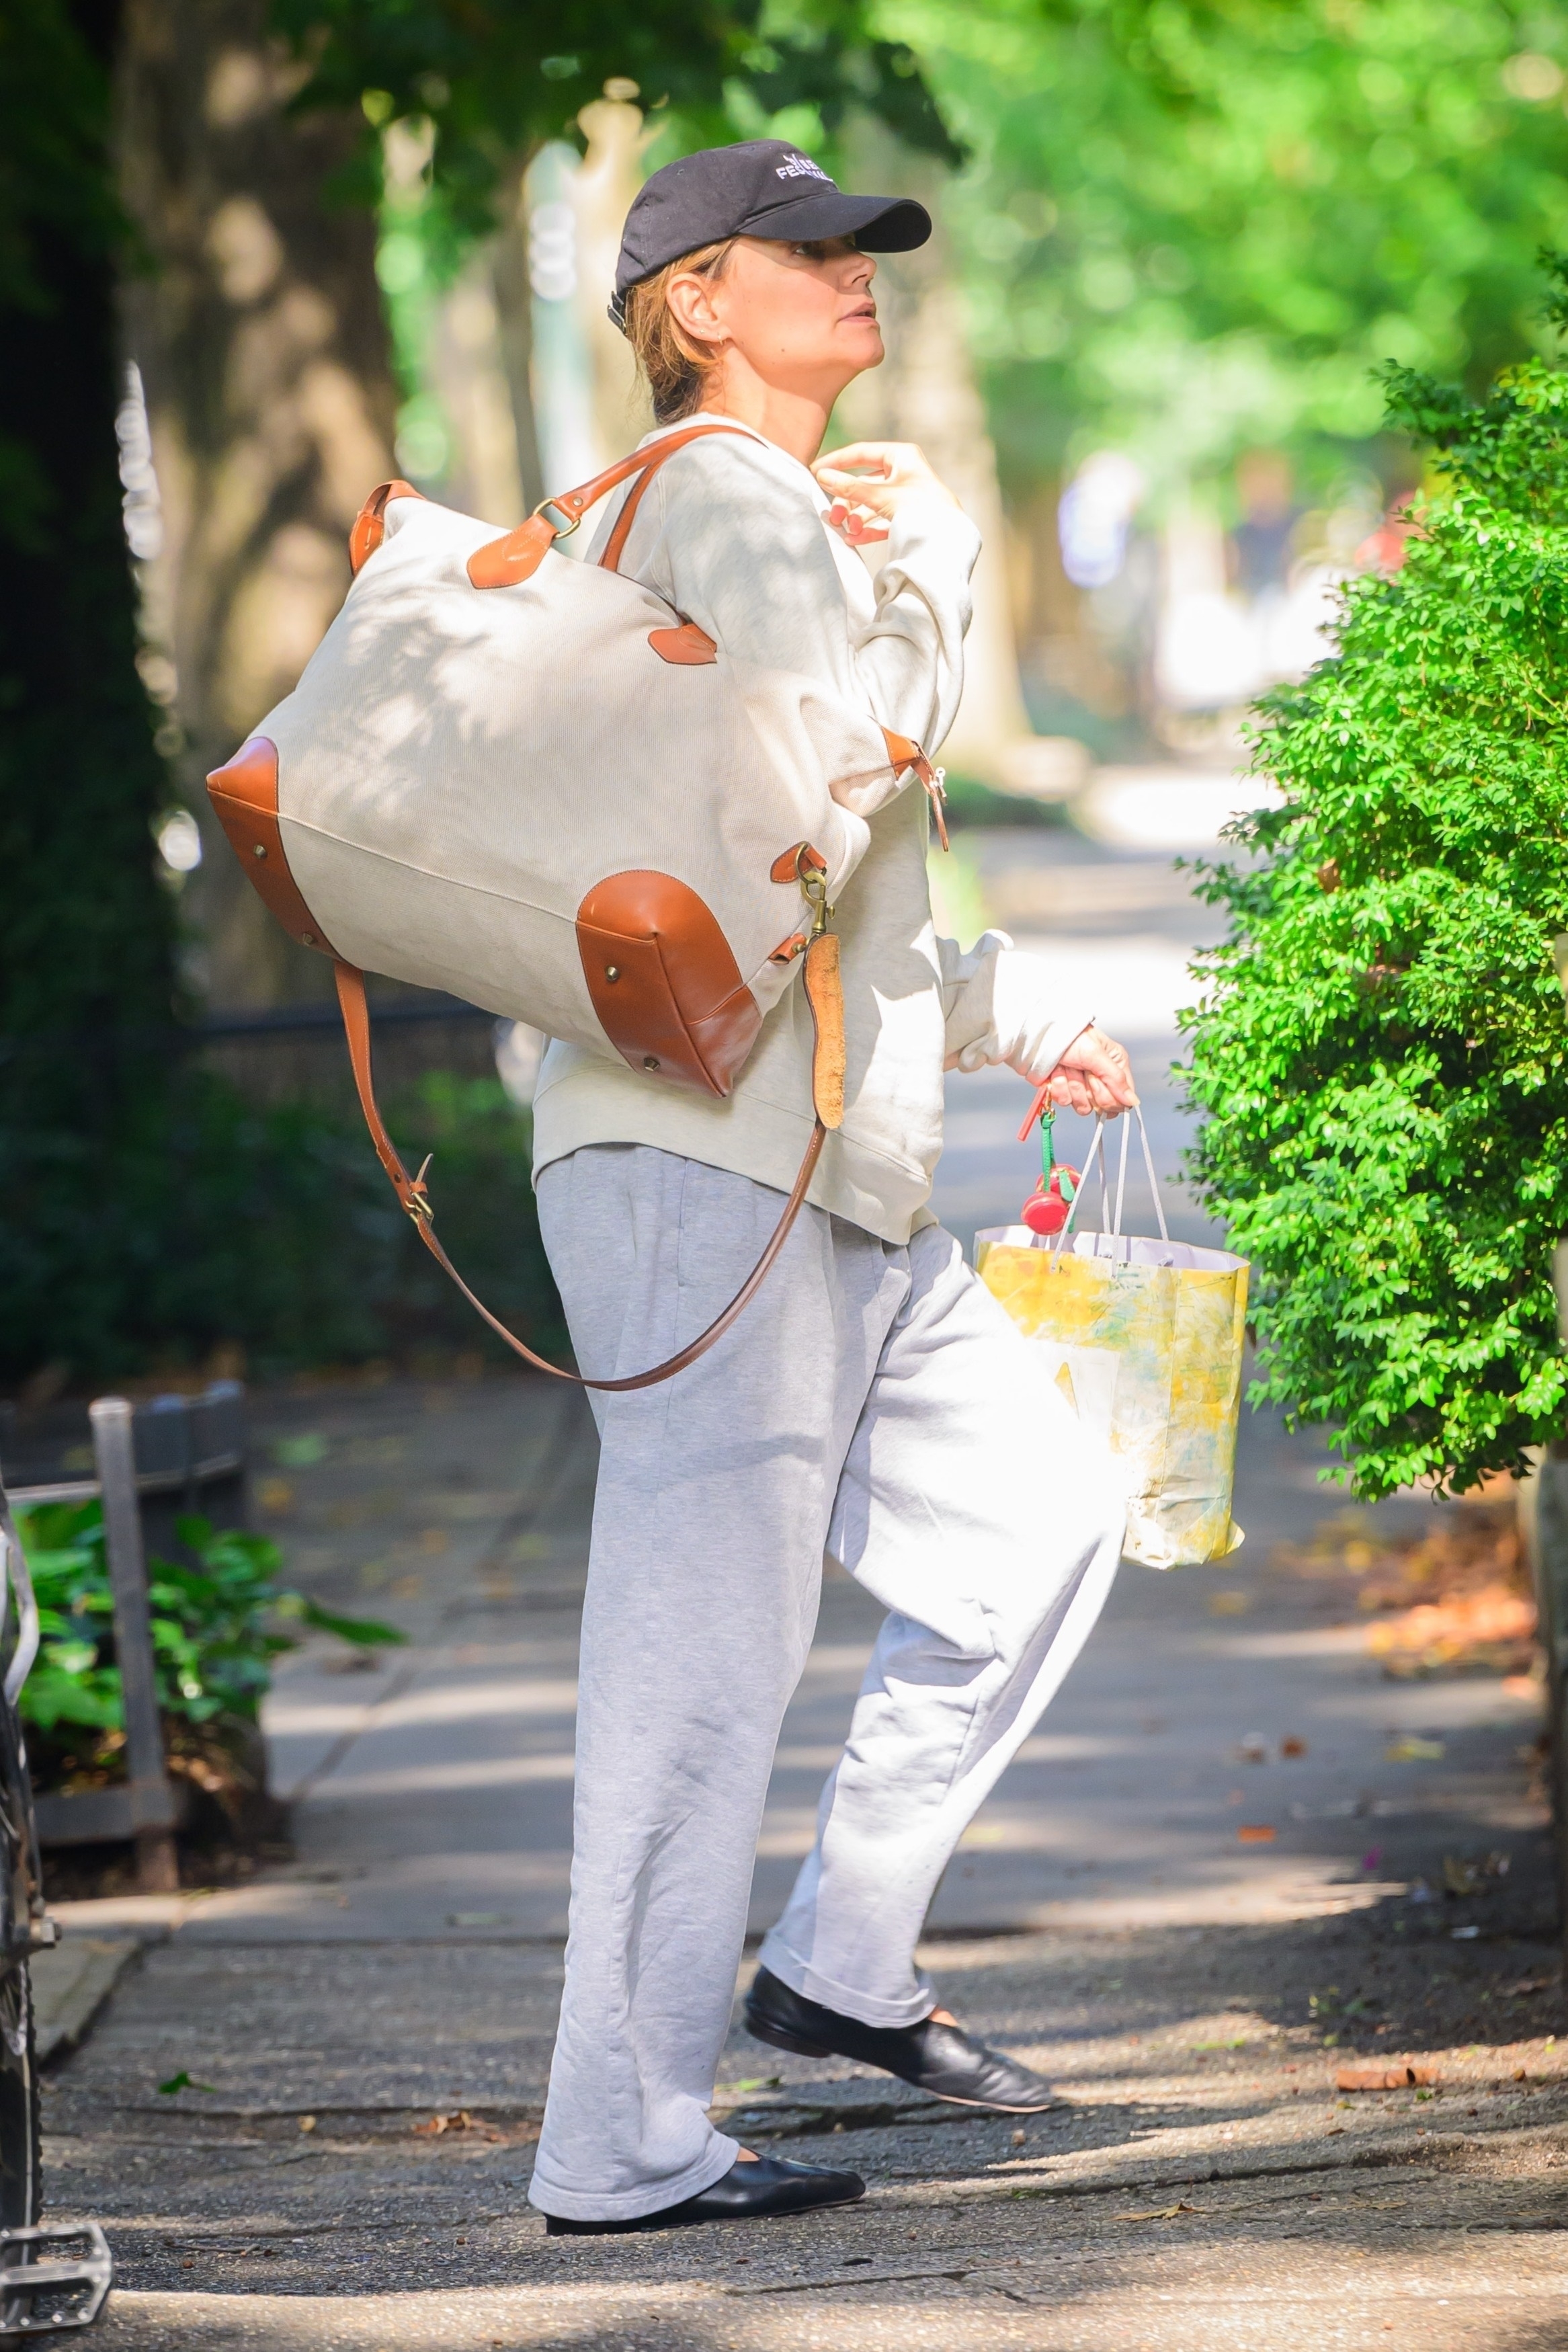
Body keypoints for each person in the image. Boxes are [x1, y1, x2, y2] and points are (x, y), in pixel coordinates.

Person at [526, 139, 1135, 2237]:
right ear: (696, 303)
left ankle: (840, 1964)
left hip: (825, 1159)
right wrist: (936, 565)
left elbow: (809, 889)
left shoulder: (770, 516)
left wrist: (1002, 1003)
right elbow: (830, 763)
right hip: (708, 1162)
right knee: (698, 1654)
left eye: (867, 250)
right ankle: (617, 2138)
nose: (856, 279)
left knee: (1044, 1523)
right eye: (804, 253)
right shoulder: (725, 494)